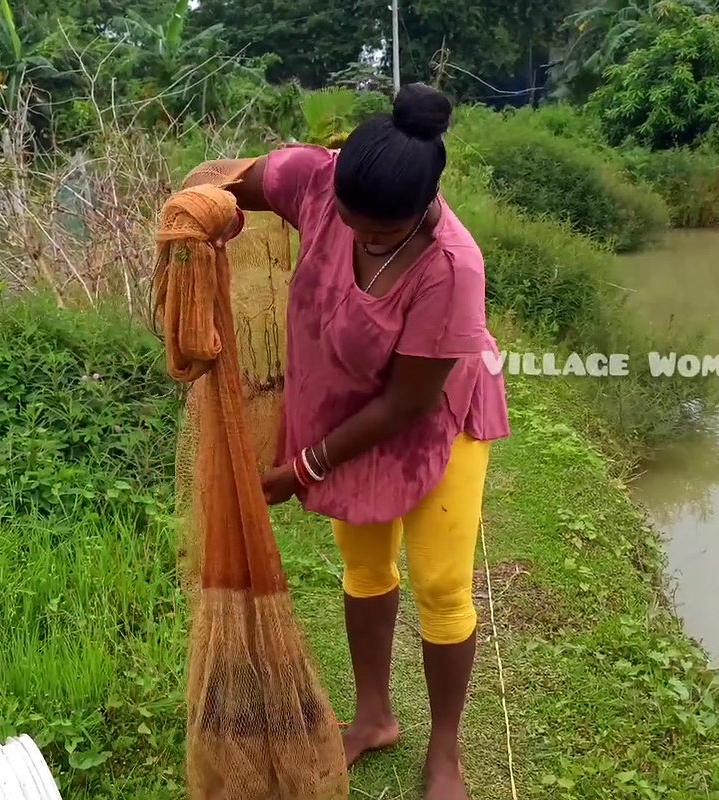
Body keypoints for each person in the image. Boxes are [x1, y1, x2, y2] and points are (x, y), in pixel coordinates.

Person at [185, 83, 510, 799]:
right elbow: (239, 180)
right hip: (344, 411)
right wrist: (198, 207)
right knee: (364, 571)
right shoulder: (322, 182)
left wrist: (300, 468)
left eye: (380, 234)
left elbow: (407, 402)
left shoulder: (452, 267)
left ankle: (447, 753)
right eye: (346, 219)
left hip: (430, 420)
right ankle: (373, 719)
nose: (357, 237)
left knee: (442, 586)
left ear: (422, 209)